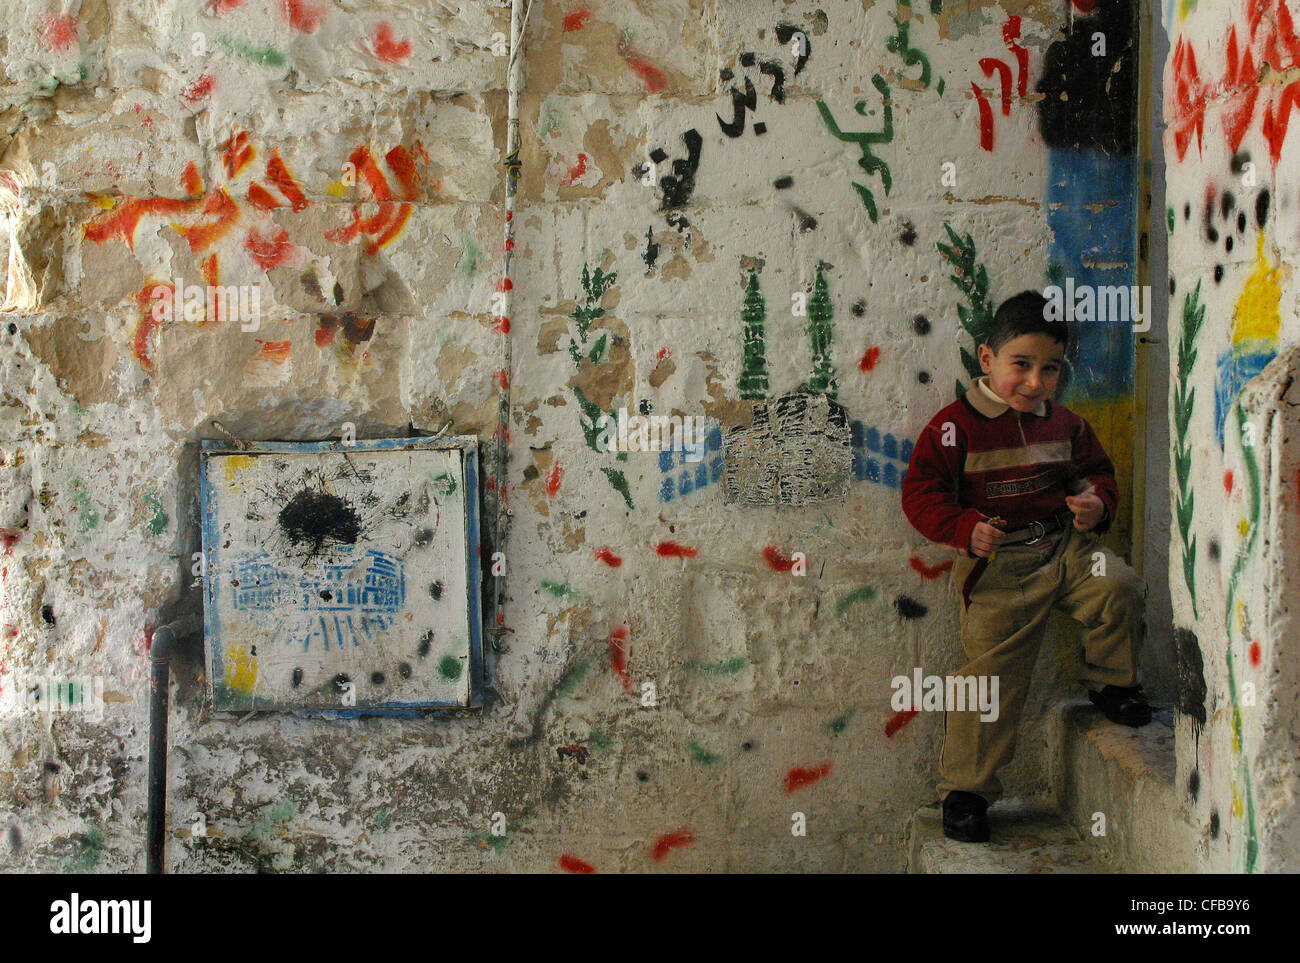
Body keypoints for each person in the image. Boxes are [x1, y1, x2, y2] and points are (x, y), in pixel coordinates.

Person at [900, 290, 1150, 843]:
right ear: (987, 359)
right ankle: (966, 791)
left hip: (1065, 549)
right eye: (1022, 365)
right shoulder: (954, 428)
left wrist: (1095, 504)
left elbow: (1097, 476)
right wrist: (964, 528)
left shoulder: (1066, 424)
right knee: (989, 675)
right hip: (1001, 566)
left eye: (1050, 369)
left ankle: (1113, 683)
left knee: (1121, 587)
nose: (1035, 382)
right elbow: (921, 494)